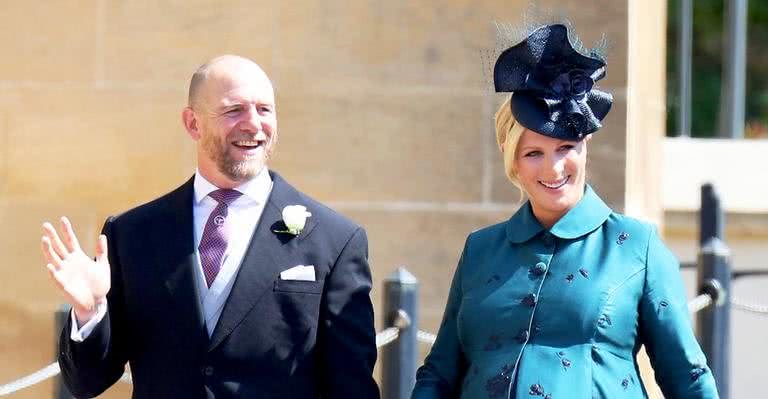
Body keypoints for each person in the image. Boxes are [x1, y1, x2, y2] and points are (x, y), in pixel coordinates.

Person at [41, 55, 380, 399]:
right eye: (234, 110)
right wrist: (90, 312)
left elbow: (352, 387)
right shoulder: (132, 234)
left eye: (265, 110)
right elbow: (86, 382)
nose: (253, 124)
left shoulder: (334, 241)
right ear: (192, 123)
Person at [411, 24, 719, 398]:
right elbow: (439, 375)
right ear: (514, 162)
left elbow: (687, 378)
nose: (553, 169)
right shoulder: (480, 250)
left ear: (584, 147)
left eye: (565, 148)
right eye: (533, 153)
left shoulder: (639, 247)